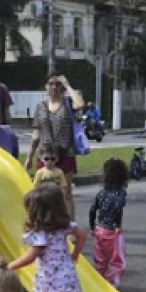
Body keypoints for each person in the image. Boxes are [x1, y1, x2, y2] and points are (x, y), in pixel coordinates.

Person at [25, 72, 86, 218]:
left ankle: (69, 226)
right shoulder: (40, 107)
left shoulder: (68, 103)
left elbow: (80, 104)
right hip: (45, 155)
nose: (54, 87)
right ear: (45, 87)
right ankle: (43, 223)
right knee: (42, 194)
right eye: (50, 84)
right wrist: (29, 157)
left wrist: (67, 84)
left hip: (65, 154)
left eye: (57, 84)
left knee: (65, 193)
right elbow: (36, 134)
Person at [89, 157, 129, 288]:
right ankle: (113, 283)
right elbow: (118, 211)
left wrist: (92, 227)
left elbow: (92, 210)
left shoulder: (101, 193)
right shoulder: (121, 194)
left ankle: (100, 281)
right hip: (113, 231)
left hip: (99, 229)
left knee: (101, 258)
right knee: (117, 259)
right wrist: (117, 225)